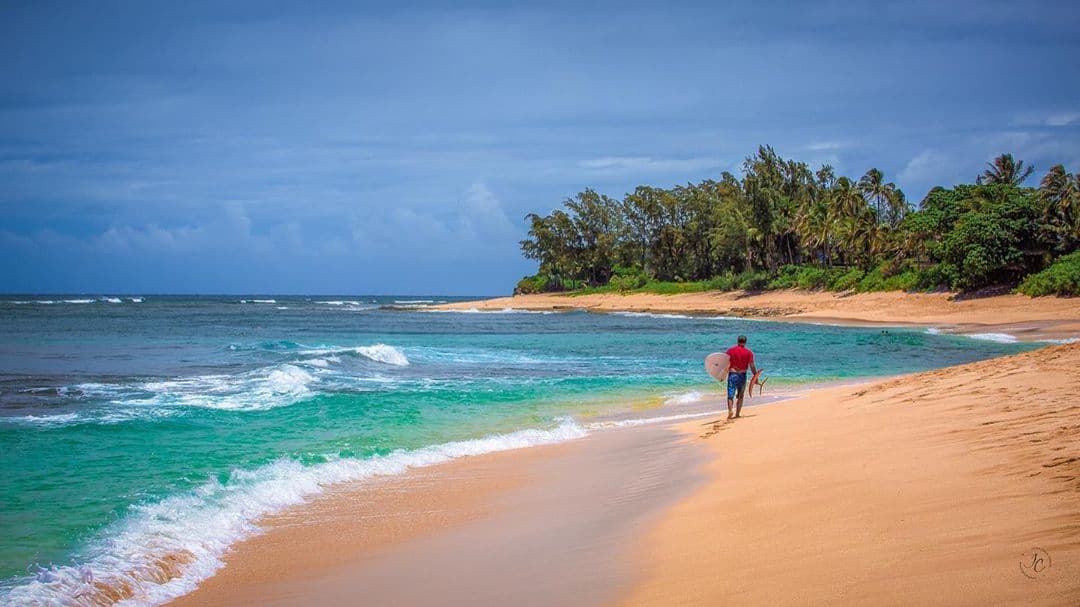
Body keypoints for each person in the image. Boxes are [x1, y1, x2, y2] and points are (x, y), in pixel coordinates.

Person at [726, 335, 757, 419]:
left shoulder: (730, 351)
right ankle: (737, 414)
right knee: (740, 395)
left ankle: (730, 411)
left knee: (730, 395)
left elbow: (724, 363)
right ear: (745, 342)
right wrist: (755, 376)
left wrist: (721, 375)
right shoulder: (749, 353)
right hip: (742, 375)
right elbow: (752, 366)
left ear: (737, 341)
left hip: (732, 374)